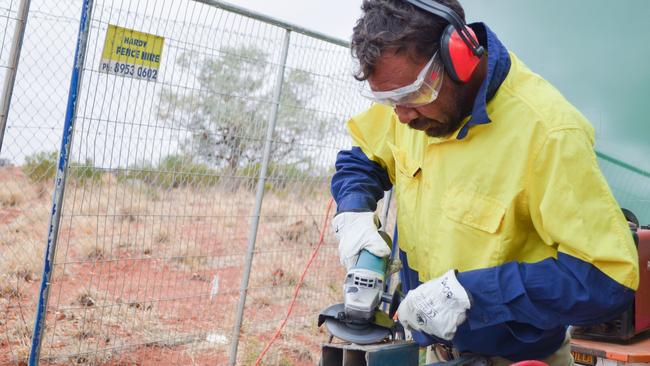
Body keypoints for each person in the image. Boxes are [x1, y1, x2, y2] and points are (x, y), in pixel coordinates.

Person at [330, 0, 639, 364]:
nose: (401, 115)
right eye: (388, 99)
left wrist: (472, 294)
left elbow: (607, 279)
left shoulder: (549, 132)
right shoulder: (408, 107)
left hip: (520, 359)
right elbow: (363, 158)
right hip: (437, 353)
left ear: (459, 56)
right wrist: (353, 212)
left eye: (413, 95)